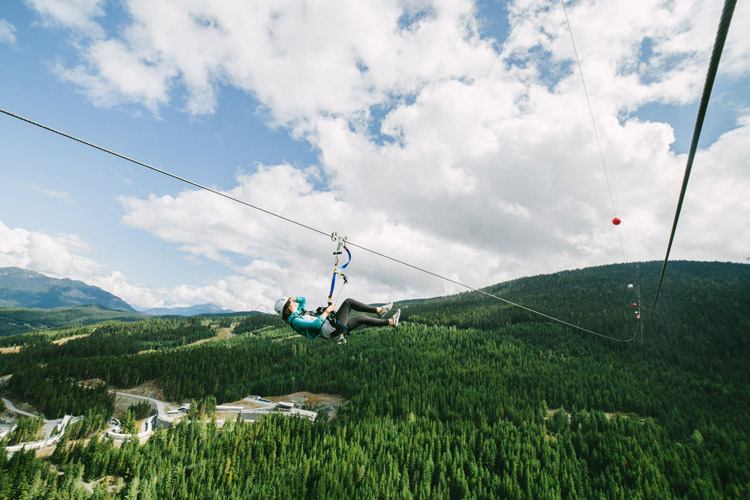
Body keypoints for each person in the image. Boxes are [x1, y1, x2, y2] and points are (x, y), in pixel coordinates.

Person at [274, 296, 400, 344]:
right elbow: (315, 324)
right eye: (290, 303)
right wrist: (327, 311)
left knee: (361, 318)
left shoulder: (297, 313)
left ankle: (390, 322)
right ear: (286, 309)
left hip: (332, 329)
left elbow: (304, 300)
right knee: (348, 302)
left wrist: (293, 298)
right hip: (331, 329)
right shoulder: (295, 321)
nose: (293, 303)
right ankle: (378, 310)